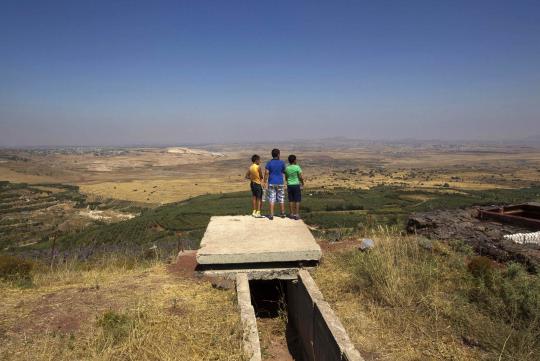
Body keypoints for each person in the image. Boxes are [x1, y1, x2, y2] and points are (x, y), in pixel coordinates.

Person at [263, 148, 286, 220]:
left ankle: (271, 214)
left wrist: (264, 181)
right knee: (281, 198)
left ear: (272, 155)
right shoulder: (282, 162)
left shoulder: (269, 163)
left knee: (271, 198)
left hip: (271, 182)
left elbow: (266, 173)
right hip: (280, 182)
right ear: (278, 154)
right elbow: (284, 171)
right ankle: (282, 213)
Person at [285, 154, 304, 220]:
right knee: (297, 200)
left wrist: (288, 181)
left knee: (291, 200)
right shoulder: (297, 167)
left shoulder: (287, 168)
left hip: (289, 185)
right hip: (296, 185)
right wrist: (302, 183)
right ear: (295, 160)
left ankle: (291, 214)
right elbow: (301, 177)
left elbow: (286, 177)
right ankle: (297, 214)